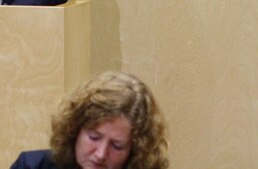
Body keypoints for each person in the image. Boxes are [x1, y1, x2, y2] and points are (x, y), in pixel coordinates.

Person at [11, 71, 169, 169]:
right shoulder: (32, 166)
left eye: (117, 146)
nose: (101, 154)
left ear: (135, 152)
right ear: (74, 130)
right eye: (94, 137)